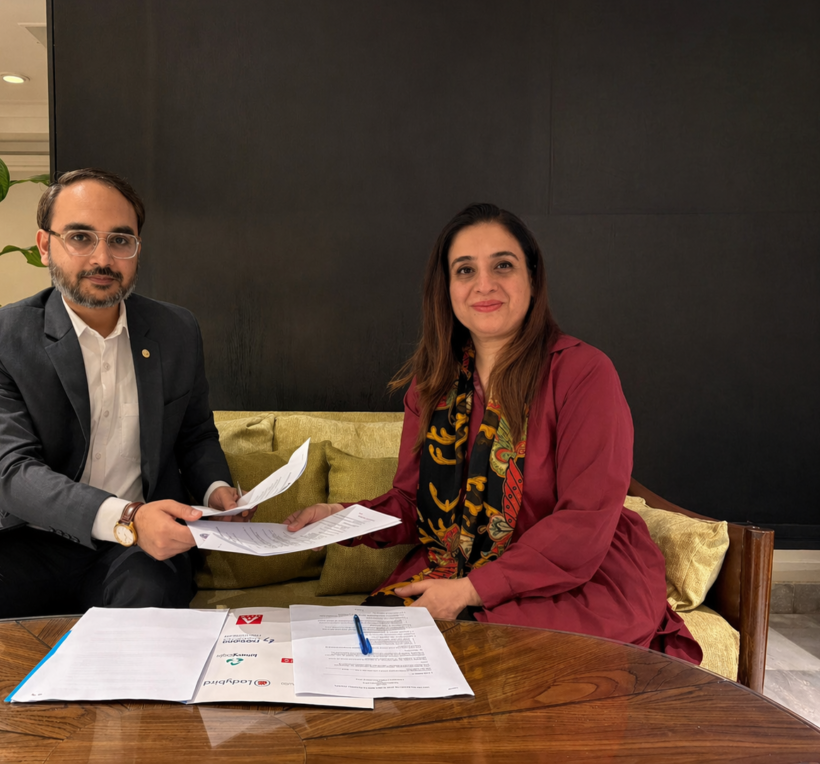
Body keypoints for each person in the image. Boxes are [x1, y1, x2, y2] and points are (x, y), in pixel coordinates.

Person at [284, 203, 702, 662]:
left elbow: (584, 521)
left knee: (461, 650)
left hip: (574, 579)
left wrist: (469, 590)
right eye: (465, 270)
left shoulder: (585, 374)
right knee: (369, 649)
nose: (484, 285)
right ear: (446, 288)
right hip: (457, 566)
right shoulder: (431, 386)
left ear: (532, 278)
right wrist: (340, 517)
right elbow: (414, 502)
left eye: (503, 265)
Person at [0, 168, 247, 628]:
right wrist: (128, 516)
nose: (103, 258)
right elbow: (11, 472)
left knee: (149, 605)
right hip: (22, 535)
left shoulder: (176, 330)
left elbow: (195, 435)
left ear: (137, 248)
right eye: (80, 237)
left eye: (120, 240)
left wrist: (217, 491)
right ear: (45, 245)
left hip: (134, 550)